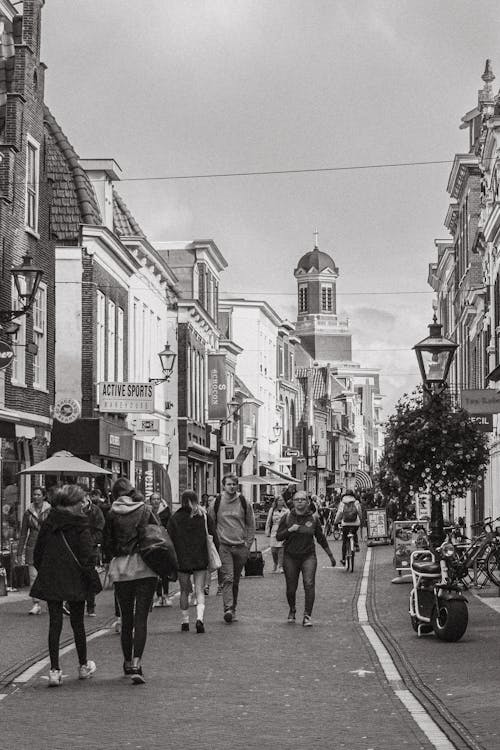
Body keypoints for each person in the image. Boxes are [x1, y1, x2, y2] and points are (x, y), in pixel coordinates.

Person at [30, 484, 98, 687]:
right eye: (81, 501)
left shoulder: (50, 522)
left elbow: (38, 552)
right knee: (78, 623)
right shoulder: (80, 524)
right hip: (75, 577)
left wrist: (46, 570)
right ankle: (83, 666)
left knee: (55, 623)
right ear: (72, 504)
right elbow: (87, 555)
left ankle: (54, 670)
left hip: (52, 576)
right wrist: (90, 574)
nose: (84, 505)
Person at [104, 478, 158, 685]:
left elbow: (107, 543)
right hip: (144, 566)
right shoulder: (145, 510)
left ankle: (126, 662)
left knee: (126, 618)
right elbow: (158, 533)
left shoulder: (111, 513)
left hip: (121, 569)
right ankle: (137, 663)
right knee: (141, 618)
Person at [276, 491, 336, 626]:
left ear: (308, 502)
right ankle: (292, 609)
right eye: (297, 499)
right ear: (293, 502)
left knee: (309, 584)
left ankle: (307, 615)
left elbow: (320, 538)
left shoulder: (313, 519)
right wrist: (290, 530)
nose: (300, 502)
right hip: (290, 556)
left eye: (303, 499)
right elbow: (279, 537)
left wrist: (331, 556)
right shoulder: (286, 517)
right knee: (291, 588)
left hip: (308, 556)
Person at [167, 490, 218, 633]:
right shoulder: (204, 516)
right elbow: (214, 535)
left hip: (182, 559)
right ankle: (200, 619)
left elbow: (169, 540)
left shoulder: (175, 518)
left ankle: (185, 621)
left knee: (184, 591)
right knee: (199, 590)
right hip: (200, 558)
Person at [208, 474, 255, 623]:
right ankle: (228, 608)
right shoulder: (217, 502)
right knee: (228, 578)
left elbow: (250, 523)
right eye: (229, 484)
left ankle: (233, 608)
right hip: (224, 547)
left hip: (241, 547)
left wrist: (248, 544)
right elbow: (211, 524)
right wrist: (215, 544)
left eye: (234, 484)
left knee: (235, 580)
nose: (232, 487)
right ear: (223, 486)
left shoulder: (243, 502)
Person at [17, 486, 52, 615]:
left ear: (44, 496)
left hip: (47, 546)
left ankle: (51, 601)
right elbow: (23, 533)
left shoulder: (50, 511)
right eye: (34, 495)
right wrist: (19, 552)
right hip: (32, 546)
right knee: (33, 576)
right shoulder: (28, 512)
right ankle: (36, 603)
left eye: (38, 495)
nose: (35, 497)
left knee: (47, 575)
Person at [149, 492, 173, 607]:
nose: (156, 501)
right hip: (152, 544)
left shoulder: (165, 513)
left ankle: (166, 595)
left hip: (164, 544)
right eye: (154, 499)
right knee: (155, 571)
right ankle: (159, 596)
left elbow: (170, 526)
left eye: (158, 499)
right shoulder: (148, 513)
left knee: (164, 571)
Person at [84, 489, 105, 616]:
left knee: (89, 574)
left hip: (90, 548)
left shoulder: (96, 511)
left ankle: (90, 605)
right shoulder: (73, 511)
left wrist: (91, 542)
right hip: (76, 548)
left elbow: (100, 528)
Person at [334, 491, 362, 565]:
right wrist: (361, 519)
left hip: (345, 524)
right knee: (354, 532)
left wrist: (336, 522)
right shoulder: (356, 502)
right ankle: (356, 544)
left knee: (345, 540)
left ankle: (343, 559)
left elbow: (339, 513)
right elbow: (359, 512)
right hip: (355, 523)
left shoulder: (342, 503)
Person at [265, 496, 288, 573]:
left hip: (283, 530)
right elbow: (268, 521)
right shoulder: (272, 510)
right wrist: (267, 531)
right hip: (274, 530)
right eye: (279, 500)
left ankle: (281, 566)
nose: (281, 502)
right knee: (273, 549)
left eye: (282, 500)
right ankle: (275, 563)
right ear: (276, 501)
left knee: (281, 549)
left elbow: (290, 521)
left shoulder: (287, 511)